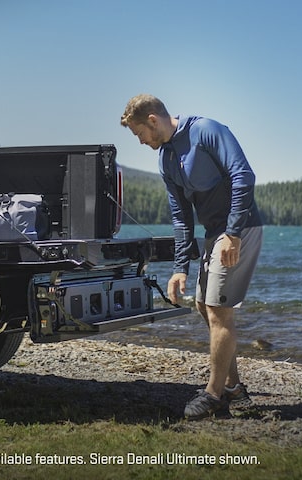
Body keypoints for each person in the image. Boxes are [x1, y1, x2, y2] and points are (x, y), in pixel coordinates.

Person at [121, 94, 263, 419]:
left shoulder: (207, 131)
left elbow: (243, 176)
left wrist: (234, 233)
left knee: (218, 309)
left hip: (241, 230)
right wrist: (179, 268)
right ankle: (234, 389)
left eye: (139, 133)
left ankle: (213, 394)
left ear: (153, 120)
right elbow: (181, 217)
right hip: (215, 235)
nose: (141, 142)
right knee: (204, 306)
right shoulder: (166, 160)